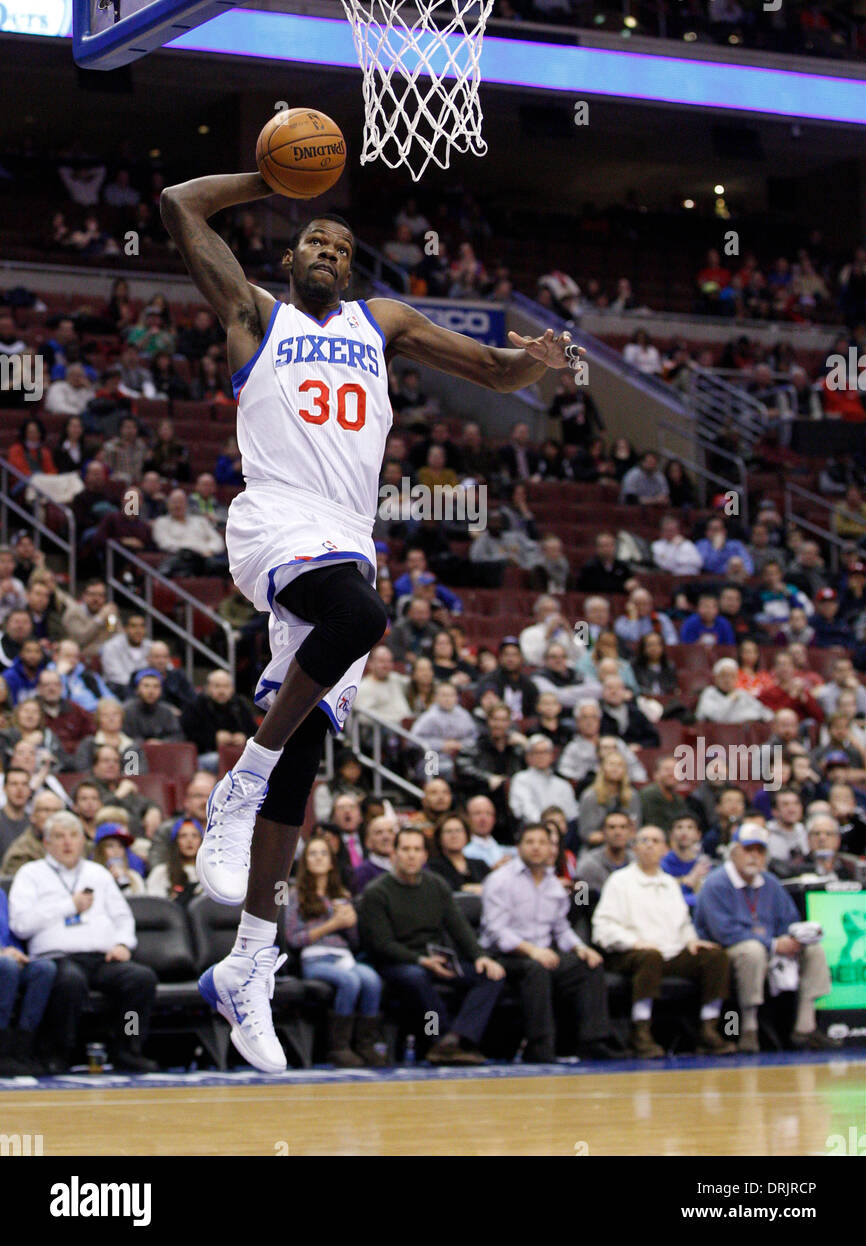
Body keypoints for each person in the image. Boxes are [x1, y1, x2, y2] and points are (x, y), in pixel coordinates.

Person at [161, 176, 578, 1074]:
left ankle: (247, 965)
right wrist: (263, 181)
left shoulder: (380, 322)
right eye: (313, 238)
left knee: (306, 758)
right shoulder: (253, 313)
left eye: (343, 246)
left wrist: (536, 361)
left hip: (350, 534)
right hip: (278, 514)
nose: (329, 251)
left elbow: (497, 371)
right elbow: (176, 205)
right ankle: (241, 774)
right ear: (286, 256)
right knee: (360, 617)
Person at [8, 812, 158, 1071]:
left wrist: (123, 943)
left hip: (102, 958)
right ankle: (58, 1053)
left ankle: (128, 1048)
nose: (67, 843)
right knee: (69, 982)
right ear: (46, 843)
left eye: (74, 835)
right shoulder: (30, 874)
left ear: (83, 842)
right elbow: (20, 924)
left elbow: (122, 916)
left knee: (141, 978)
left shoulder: (97, 873)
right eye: (59, 836)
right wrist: (69, 905)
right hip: (56, 958)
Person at [357, 827, 505, 1064]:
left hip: (436, 959)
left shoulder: (437, 885)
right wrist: (422, 960)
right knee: (415, 976)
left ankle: (456, 1039)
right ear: (393, 854)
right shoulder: (377, 892)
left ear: (426, 855)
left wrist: (480, 957)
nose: (411, 855)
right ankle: (439, 1037)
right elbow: (381, 944)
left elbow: (459, 928)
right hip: (397, 962)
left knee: (492, 975)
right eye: (405, 849)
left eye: (417, 849)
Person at [481, 824, 621, 1062]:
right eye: (530, 842)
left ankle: (592, 1042)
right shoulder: (499, 880)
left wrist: (581, 948)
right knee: (537, 969)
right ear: (518, 847)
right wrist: (533, 951)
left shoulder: (553, 885)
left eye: (542, 842)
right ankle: (539, 1046)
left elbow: (561, 928)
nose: (536, 847)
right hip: (504, 957)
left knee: (588, 965)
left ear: (551, 849)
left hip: (542, 954)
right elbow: (496, 931)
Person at [695, 823, 839, 1052]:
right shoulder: (716, 883)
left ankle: (805, 1027)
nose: (754, 856)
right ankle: (749, 1029)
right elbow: (722, 931)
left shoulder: (770, 882)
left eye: (760, 851)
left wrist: (793, 938)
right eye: (748, 849)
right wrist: (772, 944)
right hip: (726, 951)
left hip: (772, 948)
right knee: (752, 950)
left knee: (813, 950)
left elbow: (788, 919)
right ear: (734, 852)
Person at [592, 826, 732, 1058]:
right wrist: (634, 942)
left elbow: (684, 924)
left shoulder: (669, 884)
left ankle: (709, 1027)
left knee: (715, 956)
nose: (649, 845)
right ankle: (641, 1032)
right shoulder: (619, 881)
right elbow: (603, 927)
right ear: (634, 848)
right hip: (630, 953)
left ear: (665, 849)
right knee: (651, 957)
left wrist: (692, 941)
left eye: (655, 841)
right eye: (643, 840)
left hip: (671, 952)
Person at [285, 836, 387, 1067]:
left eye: (324, 853)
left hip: (344, 956)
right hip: (315, 958)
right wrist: (332, 924)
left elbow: (354, 942)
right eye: (313, 853)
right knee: (350, 982)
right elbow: (293, 938)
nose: (319, 858)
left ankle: (365, 1044)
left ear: (331, 862)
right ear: (305, 862)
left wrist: (351, 924)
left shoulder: (342, 895)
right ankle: (339, 1047)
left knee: (371, 980)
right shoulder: (295, 896)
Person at [0, 883, 55, 1075]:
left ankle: (23, 1049)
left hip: (12, 958)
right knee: (7, 967)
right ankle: (3, 1051)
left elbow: (13, 932)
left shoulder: (1, 894)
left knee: (44, 968)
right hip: (5, 962)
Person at [180, 670, 256, 771]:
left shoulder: (240, 705)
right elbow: (188, 737)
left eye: (226, 686)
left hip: (237, 754)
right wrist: (214, 738)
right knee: (219, 759)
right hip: (205, 755)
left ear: (232, 689)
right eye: (217, 686)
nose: (221, 691)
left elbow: (255, 732)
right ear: (207, 688)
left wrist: (244, 738)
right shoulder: (195, 706)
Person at [508, 735, 578, 824]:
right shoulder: (521, 779)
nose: (541, 756)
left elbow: (572, 815)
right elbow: (525, 811)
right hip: (534, 830)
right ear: (528, 757)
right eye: (537, 752)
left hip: (562, 832)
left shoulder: (563, 785)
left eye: (545, 752)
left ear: (552, 756)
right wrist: (548, 827)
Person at [1, 788, 64, 878]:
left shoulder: (74, 845)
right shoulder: (21, 853)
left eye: (56, 811)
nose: (51, 815)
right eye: (46, 810)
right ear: (33, 816)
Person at [574, 810, 633, 899]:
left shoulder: (637, 862)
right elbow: (579, 902)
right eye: (612, 827)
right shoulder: (587, 865)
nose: (618, 832)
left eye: (623, 827)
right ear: (603, 832)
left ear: (630, 832)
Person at [428, 813, 490, 893]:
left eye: (458, 831)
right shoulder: (433, 866)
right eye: (448, 831)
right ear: (439, 837)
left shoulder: (480, 865)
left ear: (467, 835)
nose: (454, 836)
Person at [146, 819, 203, 903]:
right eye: (183, 836)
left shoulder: (210, 873)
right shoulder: (161, 872)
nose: (189, 840)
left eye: (194, 835)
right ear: (176, 841)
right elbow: (155, 905)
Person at [660, 815, 711, 909]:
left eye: (690, 827)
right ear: (671, 834)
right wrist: (689, 879)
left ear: (698, 835)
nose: (684, 832)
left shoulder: (704, 864)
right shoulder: (662, 864)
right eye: (679, 827)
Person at [123, 669, 182, 744]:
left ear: (161, 690)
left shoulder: (167, 711)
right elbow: (124, 736)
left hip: (161, 752)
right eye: (146, 686)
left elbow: (178, 736)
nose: (151, 691)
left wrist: (162, 742)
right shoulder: (127, 711)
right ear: (137, 689)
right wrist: (145, 743)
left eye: (156, 686)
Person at [462, 795, 517, 870]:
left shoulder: (511, 852)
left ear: (494, 819)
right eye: (477, 813)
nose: (483, 819)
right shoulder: (463, 853)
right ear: (467, 817)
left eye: (488, 813)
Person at [92, 821, 146, 896]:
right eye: (110, 846)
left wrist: (125, 884)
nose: (116, 851)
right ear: (100, 850)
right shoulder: (90, 876)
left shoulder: (134, 877)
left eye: (121, 846)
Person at [351, 814, 397, 894]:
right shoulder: (361, 873)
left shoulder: (411, 866)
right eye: (379, 833)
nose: (386, 837)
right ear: (368, 841)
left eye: (390, 831)